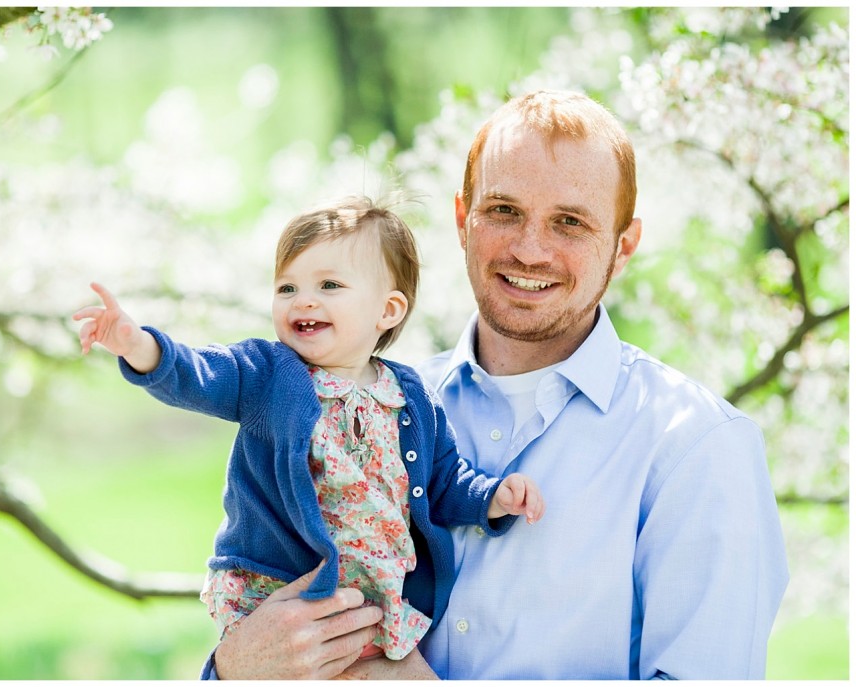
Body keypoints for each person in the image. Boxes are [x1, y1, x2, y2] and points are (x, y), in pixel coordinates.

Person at [203, 90, 790, 680]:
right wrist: (233, 667)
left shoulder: (697, 448)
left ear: (623, 245)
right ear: (463, 220)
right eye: (504, 211)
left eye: (570, 222)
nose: (530, 250)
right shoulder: (368, 408)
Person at [72, 197, 545, 663]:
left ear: (388, 310)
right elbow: (199, 374)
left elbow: (444, 479)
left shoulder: (410, 396)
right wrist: (140, 347)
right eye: (287, 288)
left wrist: (492, 497)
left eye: (329, 284)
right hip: (283, 589)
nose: (304, 300)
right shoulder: (268, 374)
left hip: (371, 601)